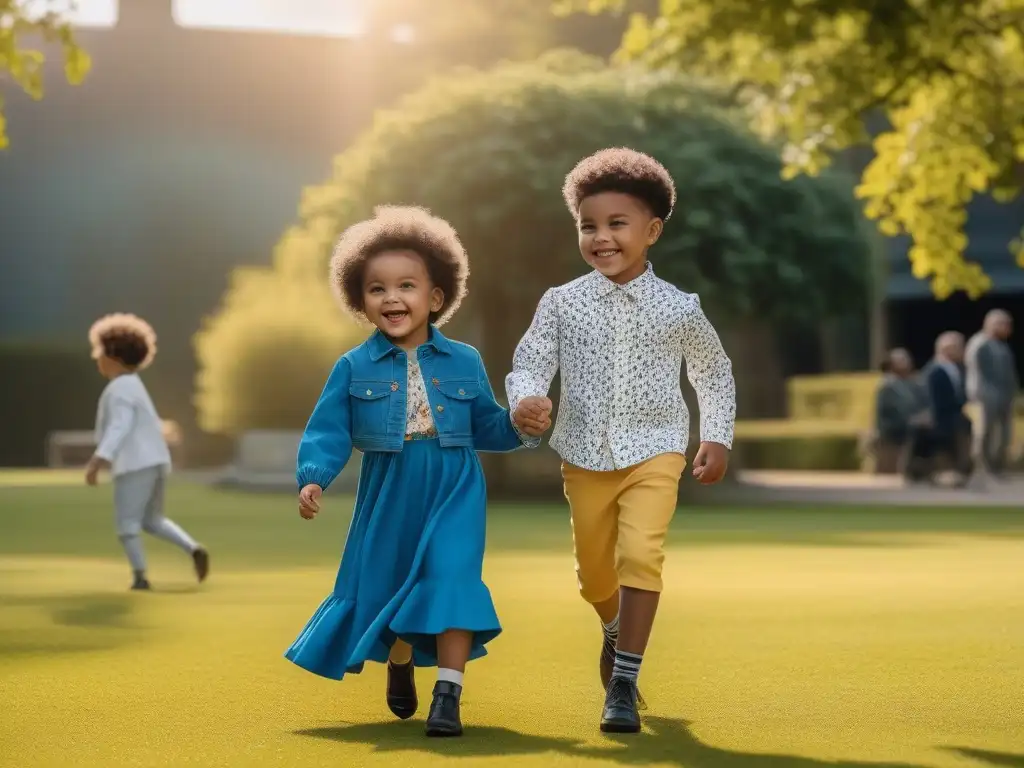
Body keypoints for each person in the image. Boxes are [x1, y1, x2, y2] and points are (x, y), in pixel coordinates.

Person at [284, 205, 539, 738]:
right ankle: (399, 660)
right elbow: (328, 430)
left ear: (436, 297)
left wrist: (520, 423)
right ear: (361, 300)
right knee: (395, 584)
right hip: (389, 487)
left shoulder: (465, 359)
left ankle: (448, 696)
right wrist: (314, 475)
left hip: (455, 485)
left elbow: (487, 426)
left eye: (406, 286)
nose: (392, 298)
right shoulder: (353, 367)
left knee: (451, 577)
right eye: (377, 289)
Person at [506, 148, 736, 734]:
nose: (601, 237)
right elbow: (531, 361)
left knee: (641, 553)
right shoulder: (561, 302)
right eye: (588, 225)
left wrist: (716, 434)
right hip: (582, 453)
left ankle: (625, 682)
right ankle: (612, 627)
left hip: (657, 450)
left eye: (617, 224)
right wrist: (526, 400)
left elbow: (712, 370)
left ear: (652, 231)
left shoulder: (680, 308)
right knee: (593, 575)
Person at [86, 313, 210, 591]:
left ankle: (140, 577)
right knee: (152, 519)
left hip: (133, 464)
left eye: (99, 352)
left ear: (114, 355)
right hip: (155, 461)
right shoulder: (135, 385)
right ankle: (193, 549)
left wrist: (99, 458)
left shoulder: (119, 389)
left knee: (126, 526)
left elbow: (120, 425)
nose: (97, 358)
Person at [965, 310, 1018, 479]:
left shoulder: (1002, 346)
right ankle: (982, 467)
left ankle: (998, 467)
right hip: (985, 396)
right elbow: (977, 373)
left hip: (1004, 396)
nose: (1008, 329)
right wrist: (982, 395)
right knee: (985, 432)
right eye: (1004, 325)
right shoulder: (979, 343)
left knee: (1004, 433)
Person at [922, 331, 972, 486]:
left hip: (955, 416)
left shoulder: (957, 369)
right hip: (942, 418)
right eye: (958, 347)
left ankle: (960, 472)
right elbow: (932, 398)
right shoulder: (934, 370)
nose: (962, 350)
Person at [873, 348, 931, 480]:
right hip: (894, 427)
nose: (906, 362)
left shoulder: (914, 382)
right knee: (917, 430)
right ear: (891, 364)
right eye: (901, 360)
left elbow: (924, 402)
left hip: (913, 423)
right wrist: (913, 419)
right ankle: (911, 471)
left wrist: (925, 415)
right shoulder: (887, 386)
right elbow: (895, 411)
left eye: (907, 359)